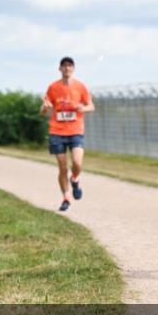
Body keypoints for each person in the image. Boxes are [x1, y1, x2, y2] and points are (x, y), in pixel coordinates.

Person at [40, 57, 94, 211]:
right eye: (64, 66)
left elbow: (91, 106)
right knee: (62, 168)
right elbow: (43, 111)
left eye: (69, 66)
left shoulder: (80, 86)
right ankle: (66, 198)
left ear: (73, 69)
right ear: (60, 69)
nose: (67, 68)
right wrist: (45, 107)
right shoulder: (53, 87)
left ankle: (75, 179)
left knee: (77, 163)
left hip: (75, 131)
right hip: (57, 132)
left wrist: (82, 109)